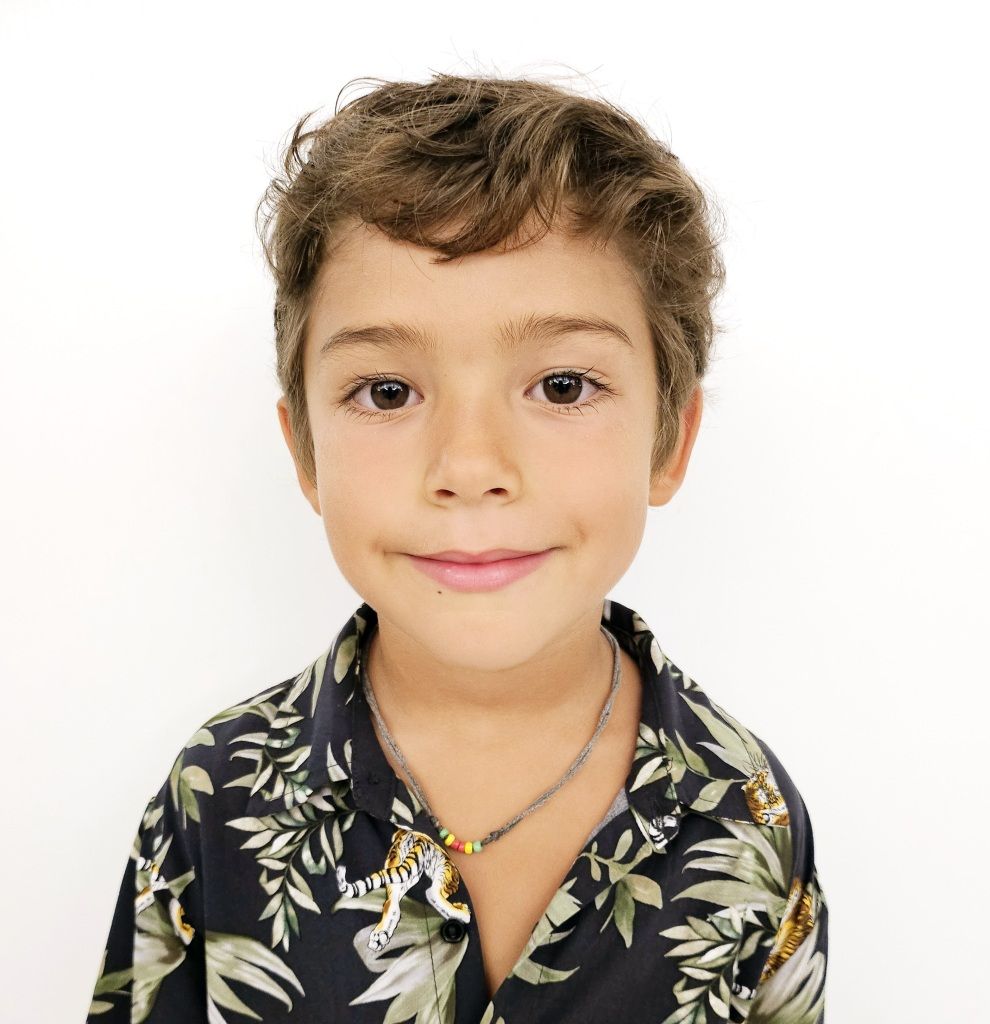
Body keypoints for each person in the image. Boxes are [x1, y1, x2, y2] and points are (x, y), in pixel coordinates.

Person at [87, 72, 828, 1023]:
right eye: (388, 392)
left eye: (563, 386)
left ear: (669, 443)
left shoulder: (751, 813)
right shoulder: (215, 797)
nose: (470, 467)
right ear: (305, 453)